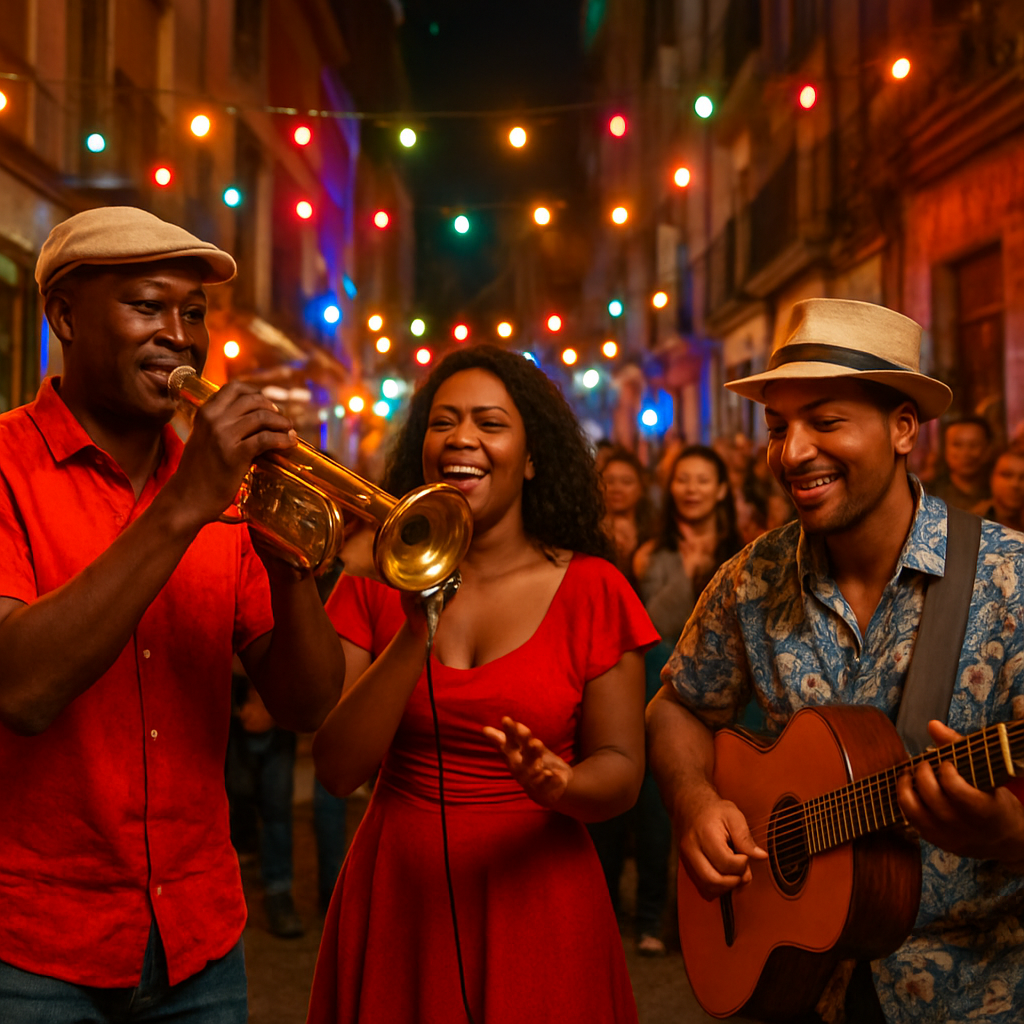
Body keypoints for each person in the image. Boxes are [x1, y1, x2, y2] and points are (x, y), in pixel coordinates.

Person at [0, 207, 345, 1023]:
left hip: (200, 940)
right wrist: (185, 505)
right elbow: (20, 689)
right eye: (147, 307)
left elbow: (306, 705)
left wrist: (291, 572)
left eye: (193, 315)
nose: (181, 338)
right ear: (65, 319)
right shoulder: (7, 466)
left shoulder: (222, 494)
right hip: (34, 944)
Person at [647, 297, 1024, 1024]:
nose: (791, 454)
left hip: (976, 993)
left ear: (904, 428)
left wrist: (1010, 837)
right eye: (778, 428)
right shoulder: (750, 579)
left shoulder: (1009, 583)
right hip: (798, 983)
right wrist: (696, 803)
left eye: (826, 422)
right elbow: (677, 708)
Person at [307, 345, 659, 1024]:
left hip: (540, 898)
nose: (462, 437)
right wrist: (414, 630)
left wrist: (563, 784)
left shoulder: (594, 589)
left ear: (531, 458)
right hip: (399, 895)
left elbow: (622, 770)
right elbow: (334, 767)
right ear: (423, 448)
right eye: (444, 422)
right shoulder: (369, 579)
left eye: (490, 423)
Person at [590, 445, 743, 956]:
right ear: (669, 487)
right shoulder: (648, 552)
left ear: (722, 489)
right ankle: (643, 914)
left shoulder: (743, 552)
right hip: (656, 687)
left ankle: (707, 920)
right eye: (683, 479)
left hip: (727, 699)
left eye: (704, 479)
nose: (692, 488)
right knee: (656, 804)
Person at [600, 446, 654, 591]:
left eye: (626, 482)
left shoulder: (654, 534)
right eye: (609, 481)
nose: (616, 488)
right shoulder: (587, 532)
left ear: (641, 487)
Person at [926, 415, 994, 510]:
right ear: (945, 449)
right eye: (957, 445)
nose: (965, 453)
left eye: (973, 445)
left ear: (988, 450)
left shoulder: (998, 493)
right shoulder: (927, 495)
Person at [975, 445, 1024, 532]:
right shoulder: (973, 523)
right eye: (1007, 475)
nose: (1015, 484)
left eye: (1023, 477)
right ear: (991, 477)